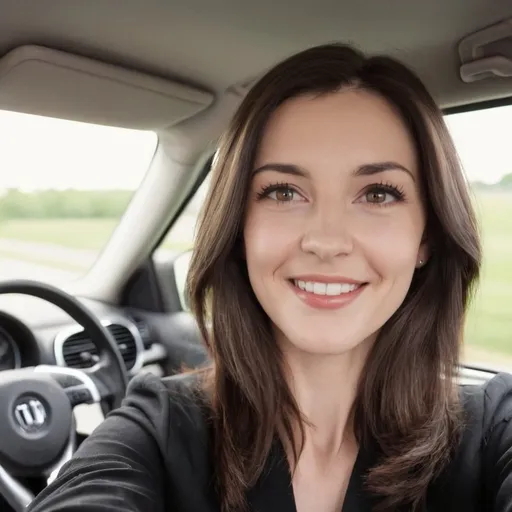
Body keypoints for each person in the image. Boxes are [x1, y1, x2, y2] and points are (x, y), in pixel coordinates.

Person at [27, 43, 512, 512]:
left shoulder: (493, 427)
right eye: (283, 192)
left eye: (379, 194)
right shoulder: (160, 426)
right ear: (238, 228)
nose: (326, 240)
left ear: (427, 236)